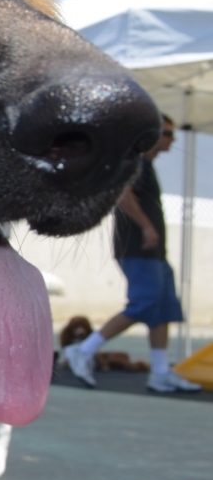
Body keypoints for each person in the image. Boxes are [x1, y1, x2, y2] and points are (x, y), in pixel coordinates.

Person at [61, 114, 203, 395]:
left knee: (162, 309)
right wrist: (147, 227)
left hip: (155, 252)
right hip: (137, 248)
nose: (172, 140)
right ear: (151, 133)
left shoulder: (148, 165)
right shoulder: (135, 162)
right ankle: (84, 350)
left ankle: (160, 373)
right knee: (145, 302)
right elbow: (123, 195)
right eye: (167, 133)